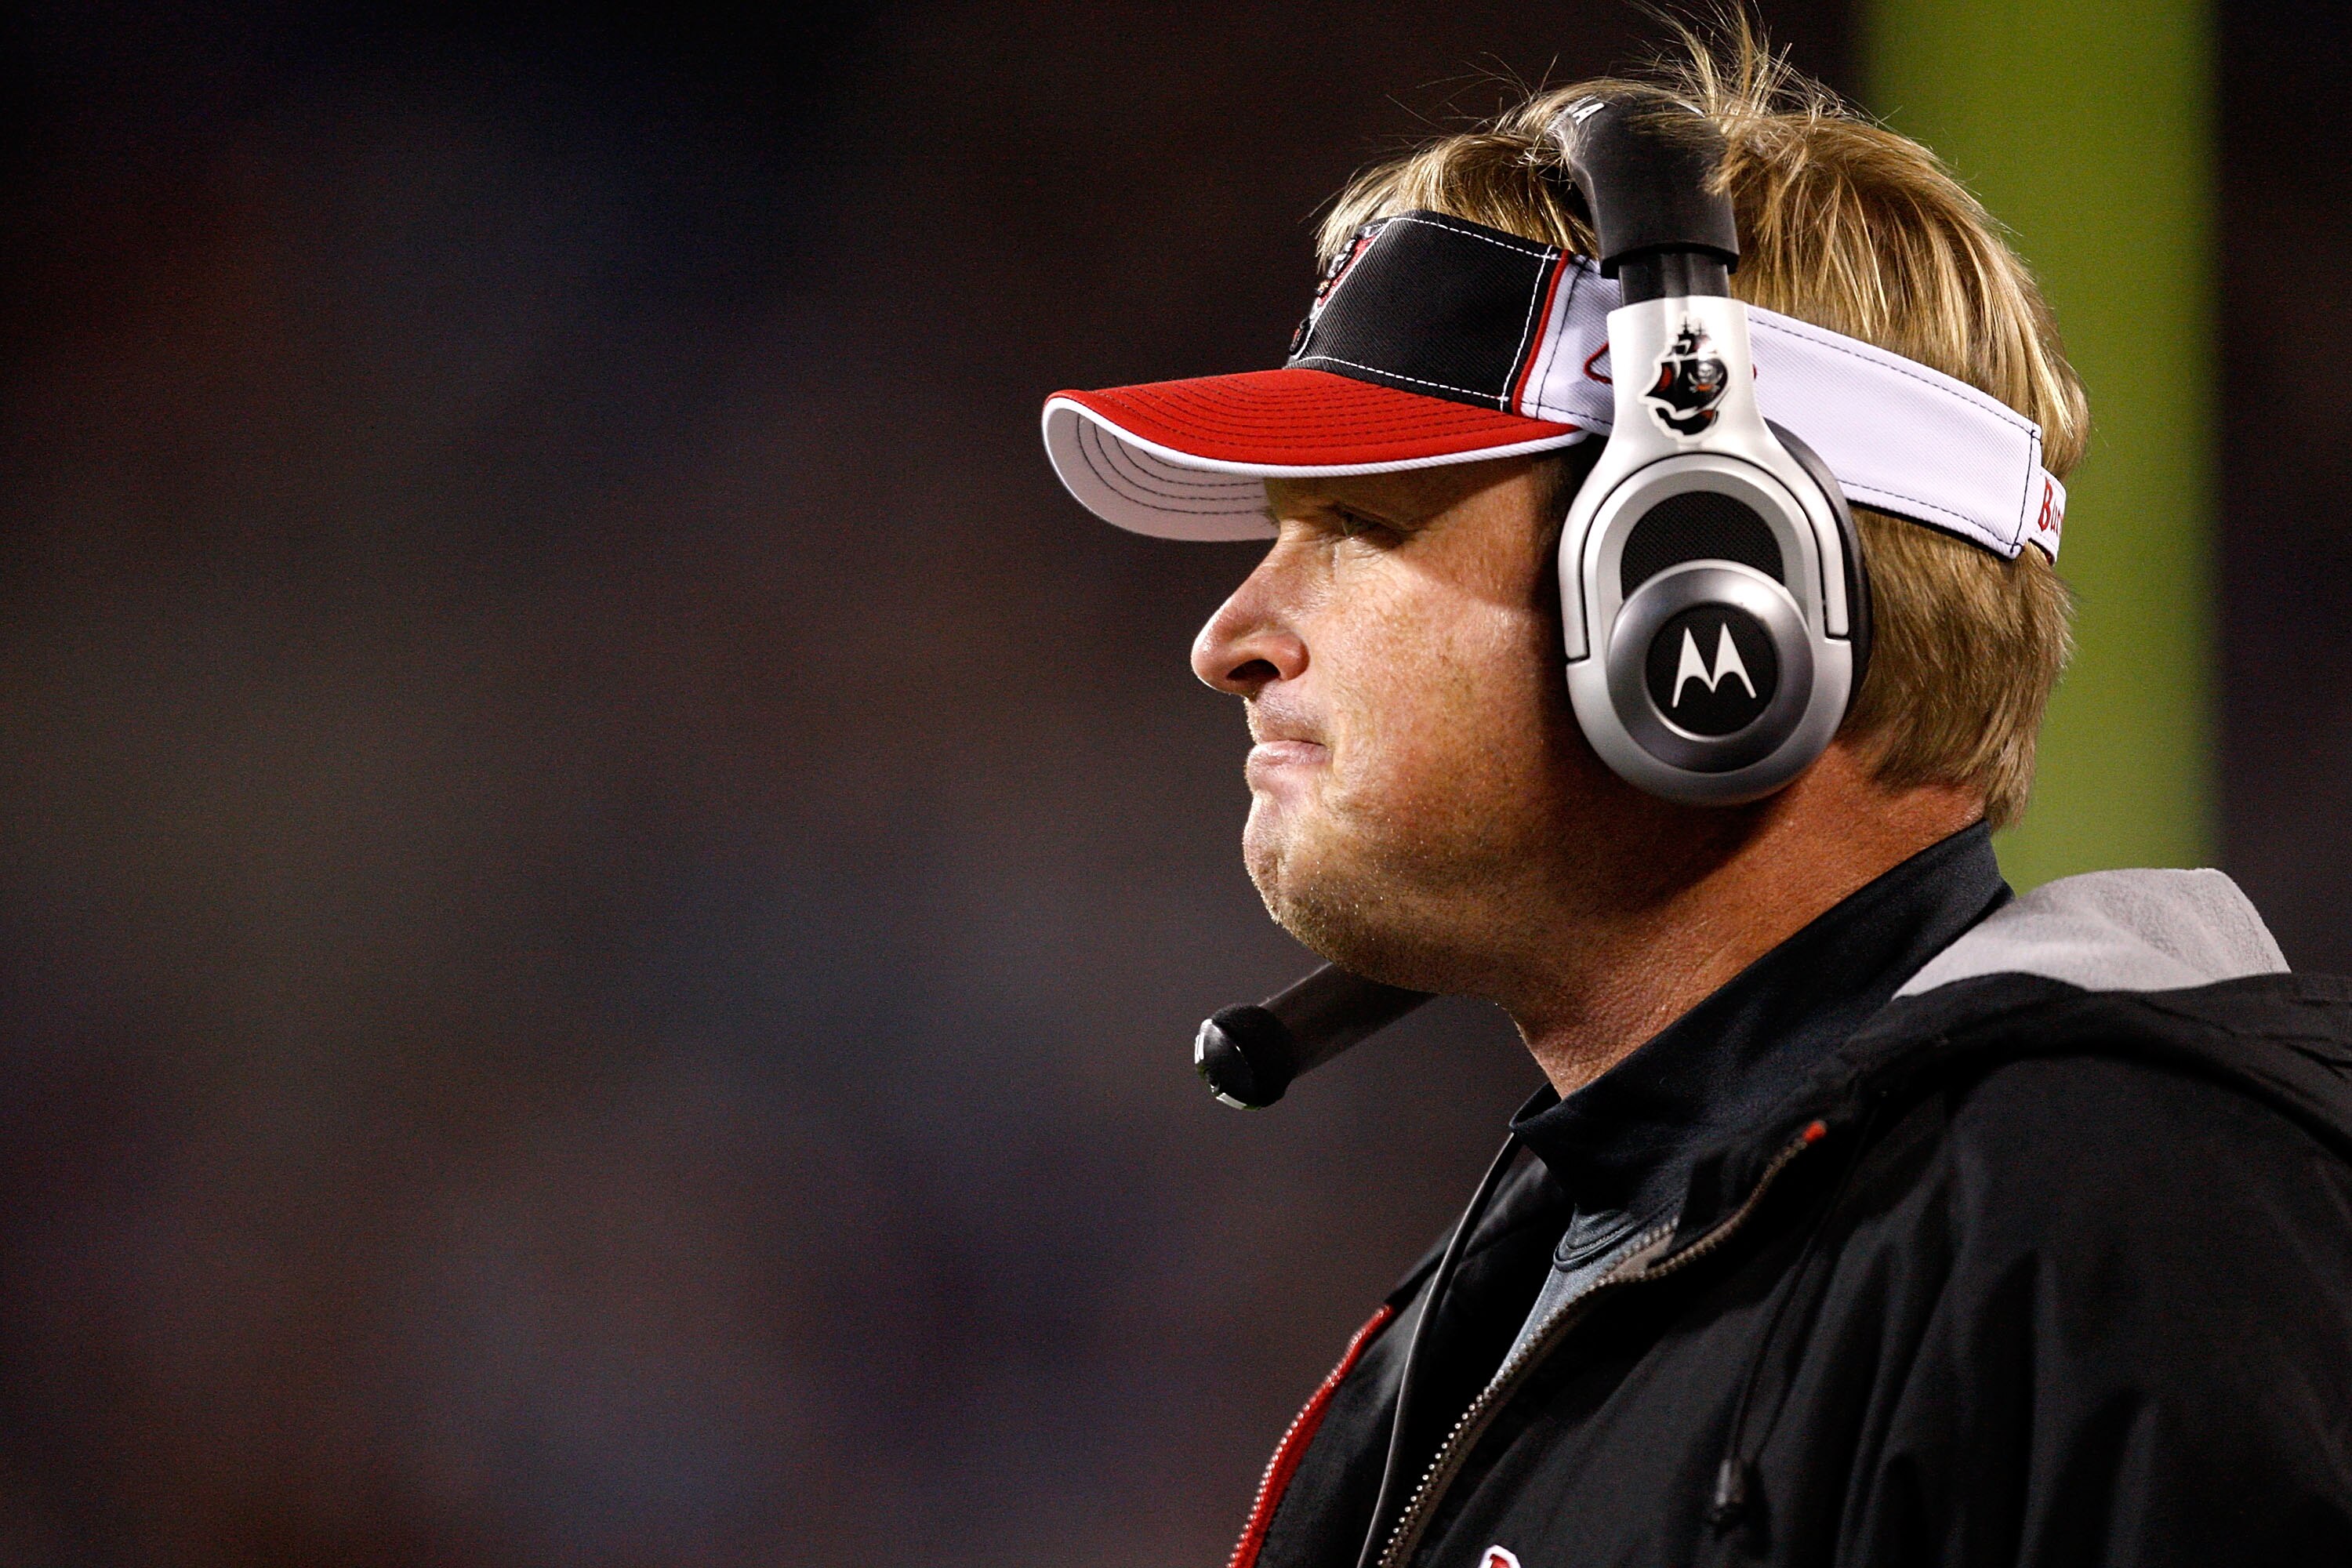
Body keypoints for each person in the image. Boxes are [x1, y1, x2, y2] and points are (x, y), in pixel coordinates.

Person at [1040, 28, 2352, 1568]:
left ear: (1705, 590)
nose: (1228, 639)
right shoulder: (1482, 1327)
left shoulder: (2129, 1221)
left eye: (1363, 522)